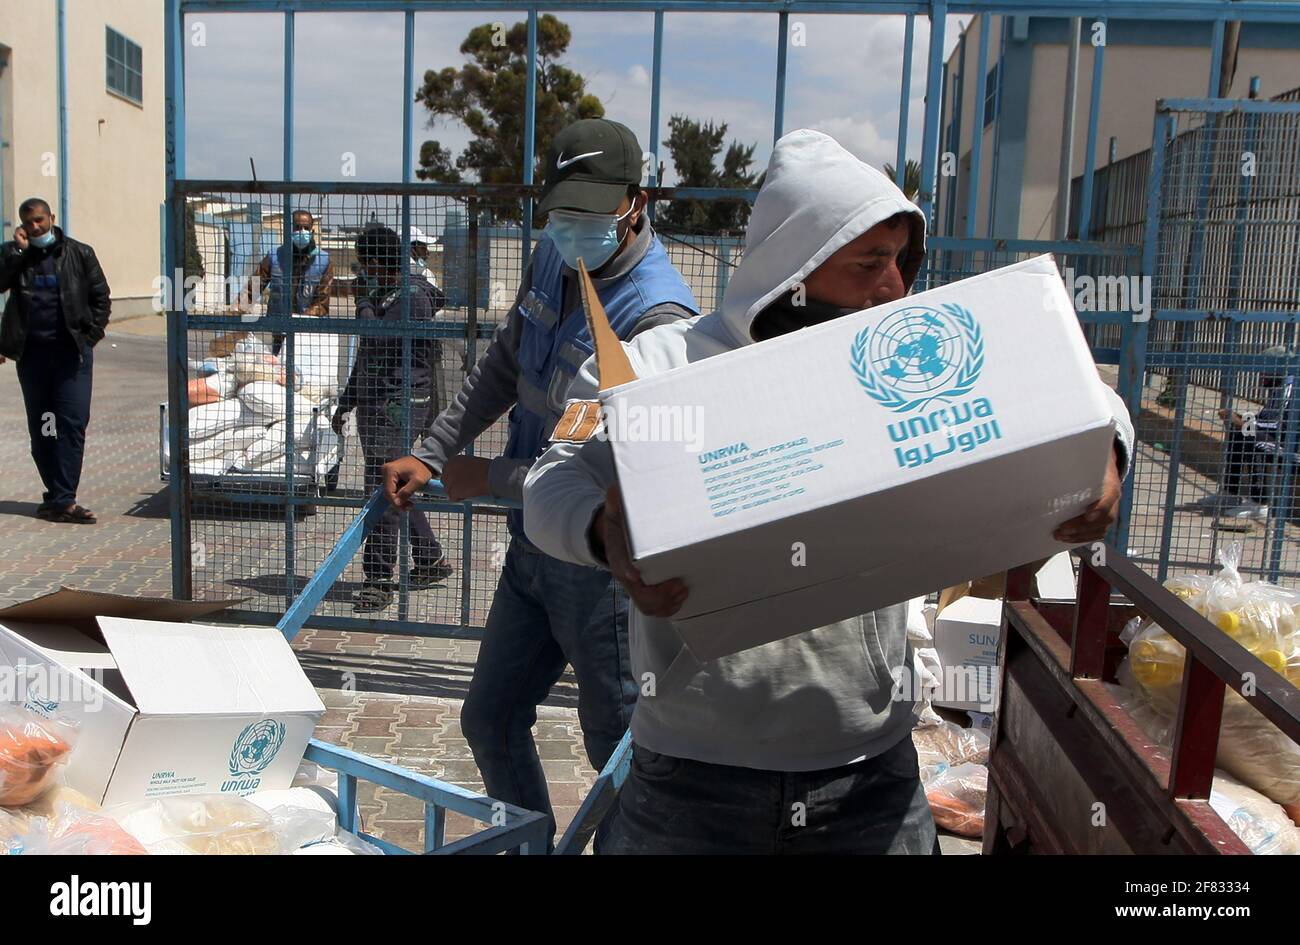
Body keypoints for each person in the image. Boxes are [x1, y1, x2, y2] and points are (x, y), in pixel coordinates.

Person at [523, 129, 1136, 854]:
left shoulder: (895, 364)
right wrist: (603, 530)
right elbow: (550, 478)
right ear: (798, 266)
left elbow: (1060, 381)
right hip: (689, 781)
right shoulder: (652, 366)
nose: (896, 287)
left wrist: (1111, 451)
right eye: (870, 262)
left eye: (902, 261)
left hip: (870, 781)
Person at [381, 119, 699, 851]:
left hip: (599, 570)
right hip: (530, 556)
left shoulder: (654, 321)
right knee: (489, 717)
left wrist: (486, 475)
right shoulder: (554, 259)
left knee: (619, 748)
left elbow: (588, 476)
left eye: (588, 215)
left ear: (636, 202)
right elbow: (504, 366)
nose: (569, 229)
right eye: (559, 213)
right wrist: (433, 451)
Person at [332, 226, 452, 612]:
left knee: (381, 487)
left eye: (364, 266)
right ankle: (430, 559)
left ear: (379, 263)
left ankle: (379, 579)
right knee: (395, 483)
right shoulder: (386, 293)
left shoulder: (412, 297)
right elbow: (367, 354)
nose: (361, 273)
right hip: (375, 400)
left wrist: (363, 303)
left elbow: (378, 336)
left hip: (398, 404)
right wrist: (347, 400)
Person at [0, 198, 110, 524]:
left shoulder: (79, 253)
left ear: (51, 217)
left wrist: (89, 339)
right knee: (43, 429)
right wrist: (20, 253)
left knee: (72, 425)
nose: (35, 227)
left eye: (39, 220)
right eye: (29, 222)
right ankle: (56, 495)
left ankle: (64, 498)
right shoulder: (15, 255)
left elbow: (101, 298)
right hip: (33, 359)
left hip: (71, 358)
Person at [1209, 344, 1296, 522]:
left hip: (1293, 450)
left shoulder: (1290, 390)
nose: (1261, 375)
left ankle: (1259, 503)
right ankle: (1230, 493)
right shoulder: (1279, 389)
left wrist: (1241, 421)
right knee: (1241, 432)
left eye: (1265, 370)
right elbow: (1266, 419)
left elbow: (1275, 425)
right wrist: (1240, 419)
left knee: (1252, 437)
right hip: (1281, 441)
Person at [241, 209, 334, 354]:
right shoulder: (274, 257)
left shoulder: (323, 261)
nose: (301, 231)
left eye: (306, 228)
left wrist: (301, 319)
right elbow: (252, 288)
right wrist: (237, 309)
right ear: (290, 230)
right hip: (279, 329)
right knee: (279, 371)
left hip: (307, 333)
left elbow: (322, 302)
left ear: (312, 231)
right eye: (297, 227)